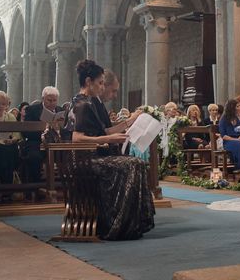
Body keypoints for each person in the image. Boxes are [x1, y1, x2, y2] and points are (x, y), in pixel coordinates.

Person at [72, 59, 154, 240]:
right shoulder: (82, 104)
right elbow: (76, 138)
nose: (102, 87)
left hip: (96, 156)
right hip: (87, 160)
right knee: (132, 164)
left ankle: (130, 222)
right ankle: (118, 224)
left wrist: (127, 125)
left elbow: (103, 130)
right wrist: (108, 139)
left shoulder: (91, 103)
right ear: (88, 82)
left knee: (138, 163)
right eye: (99, 83)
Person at [23, 87, 65, 183]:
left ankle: (63, 185)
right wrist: (44, 131)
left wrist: (59, 128)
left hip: (56, 144)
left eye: (54, 100)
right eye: (49, 100)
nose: (52, 103)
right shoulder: (32, 109)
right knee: (34, 157)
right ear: (43, 99)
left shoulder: (60, 110)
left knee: (69, 155)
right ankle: (35, 187)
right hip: (37, 143)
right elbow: (26, 131)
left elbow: (65, 129)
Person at [218, 99, 240, 170]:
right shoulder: (224, 119)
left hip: (238, 140)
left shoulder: (238, 118)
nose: (239, 108)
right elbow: (223, 136)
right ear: (232, 107)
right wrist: (236, 139)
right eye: (237, 106)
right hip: (228, 142)